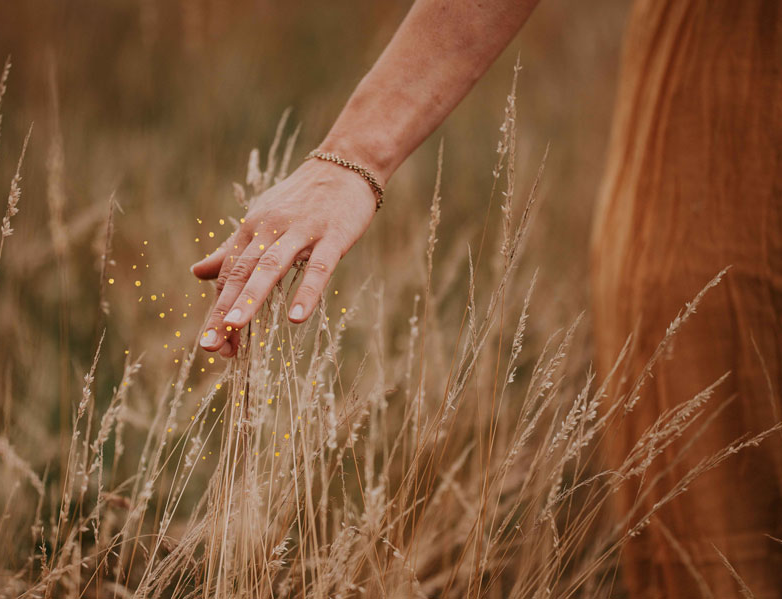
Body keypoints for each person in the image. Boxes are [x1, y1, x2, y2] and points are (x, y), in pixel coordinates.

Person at [191, 0, 782, 596]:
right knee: (723, 546)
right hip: (725, 127)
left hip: (723, 154)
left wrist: (358, 153)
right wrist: (356, 153)